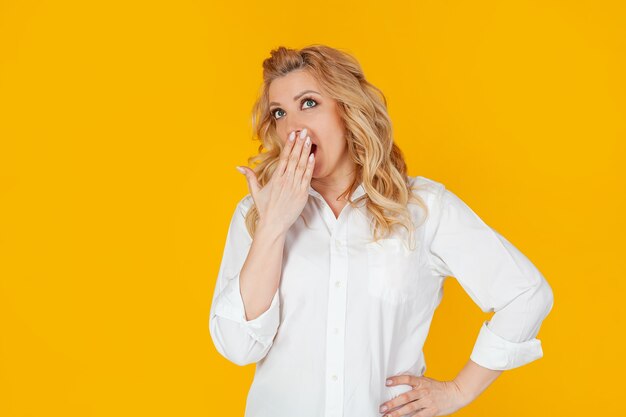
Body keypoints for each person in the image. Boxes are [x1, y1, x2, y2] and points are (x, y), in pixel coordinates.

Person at [208, 44, 554, 417]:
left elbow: (526, 295)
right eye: (279, 113)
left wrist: (457, 391)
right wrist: (273, 227)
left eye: (308, 103)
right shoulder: (257, 212)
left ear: (347, 110)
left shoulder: (423, 208)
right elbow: (238, 346)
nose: (293, 127)